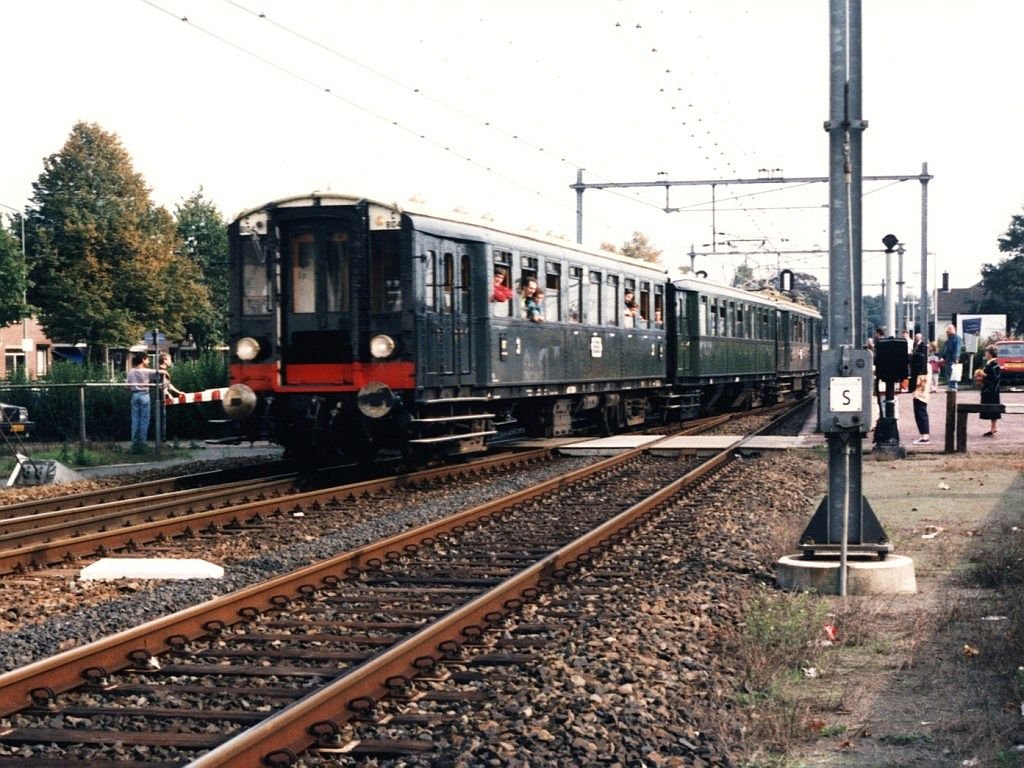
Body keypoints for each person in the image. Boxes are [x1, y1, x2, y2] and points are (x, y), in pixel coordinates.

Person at [126, 352, 153, 452]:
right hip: (144, 395)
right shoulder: (147, 371)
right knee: (144, 420)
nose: (148, 361)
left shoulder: (131, 371)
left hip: (135, 395)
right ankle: (142, 442)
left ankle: (134, 442)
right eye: (147, 359)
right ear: (143, 360)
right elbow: (160, 373)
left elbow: (127, 386)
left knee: (135, 419)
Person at [977, 344, 1002, 436]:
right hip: (989, 390)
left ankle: (993, 428)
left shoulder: (994, 365)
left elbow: (994, 378)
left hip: (992, 391)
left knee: (993, 409)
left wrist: (983, 376)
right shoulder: (989, 364)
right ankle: (993, 427)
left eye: (986, 352)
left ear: (991, 354)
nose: (985, 353)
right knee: (991, 410)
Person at [942, 324, 963, 390]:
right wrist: (943, 357)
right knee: (949, 373)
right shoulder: (948, 340)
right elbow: (945, 349)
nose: (948, 330)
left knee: (953, 373)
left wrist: (956, 358)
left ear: (954, 330)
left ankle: (953, 387)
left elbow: (957, 348)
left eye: (950, 329)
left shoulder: (956, 338)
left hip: (952, 359)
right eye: (948, 329)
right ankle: (950, 386)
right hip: (948, 359)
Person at [911, 374, 930, 444]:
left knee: (920, 413)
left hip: (920, 393)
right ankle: (924, 436)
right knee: (920, 413)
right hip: (921, 392)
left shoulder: (923, 367)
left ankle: (925, 437)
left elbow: (921, 380)